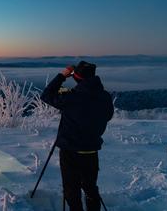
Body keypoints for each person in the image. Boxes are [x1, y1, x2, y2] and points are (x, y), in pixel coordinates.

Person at [41, 61, 114, 211]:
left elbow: (46, 95)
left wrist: (62, 76)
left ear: (77, 77)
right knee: (90, 187)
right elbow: (107, 116)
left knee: (71, 188)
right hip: (91, 150)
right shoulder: (105, 97)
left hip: (70, 150)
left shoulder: (71, 98)